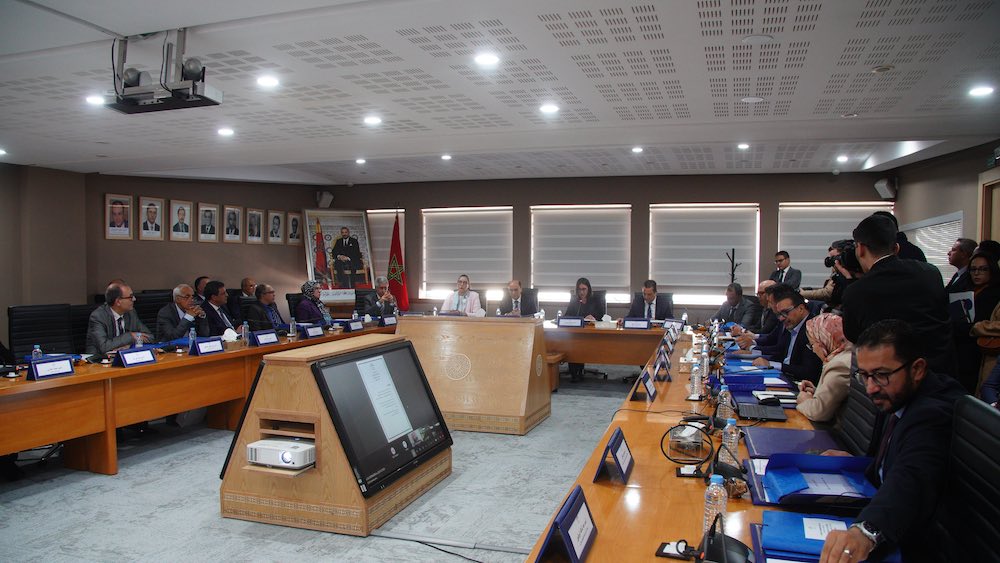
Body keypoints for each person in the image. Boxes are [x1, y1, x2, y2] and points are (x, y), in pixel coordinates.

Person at [818, 320, 966, 563]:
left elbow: (912, 476)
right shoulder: (899, 395)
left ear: (917, 369)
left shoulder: (933, 413)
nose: (870, 388)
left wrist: (866, 532)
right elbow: (896, 459)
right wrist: (860, 464)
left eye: (881, 375)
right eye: (864, 376)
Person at [841, 214, 954, 375]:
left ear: (860, 249)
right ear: (896, 248)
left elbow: (855, 336)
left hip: (889, 378)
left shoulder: (856, 291)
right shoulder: (930, 273)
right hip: (939, 374)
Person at [951, 251, 1000, 393]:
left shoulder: (995, 293)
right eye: (973, 269)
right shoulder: (965, 288)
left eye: (983, 269)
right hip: (960, 347)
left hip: (984, 349)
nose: (977, 273)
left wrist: (977, 327)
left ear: (991, 270)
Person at [751, 288, 823, 383]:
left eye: (785, 312)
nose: (781, 318)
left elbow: (809, 372)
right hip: (783, 377)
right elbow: (779, 353)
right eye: (779, 314)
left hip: (800, 384)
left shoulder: (813, 329)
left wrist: (771, 364)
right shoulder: (792, 325)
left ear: (801, 309)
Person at [796, 313, 852, 423]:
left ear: (823, 342)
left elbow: (818, 412)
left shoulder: (839, 365)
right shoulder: (846, 354)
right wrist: (817, 392)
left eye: (812, 345)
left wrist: (804, 400)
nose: (813, 350)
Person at [86, 282, 153, 354]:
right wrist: (130, 336)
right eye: (130, 297)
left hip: (125, 357)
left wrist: (129, 346)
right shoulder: (98, 316)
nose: (134, 299)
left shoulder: (131, 313)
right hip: (99, 359)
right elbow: (104, 347)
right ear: (118, 302)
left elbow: (150, 337)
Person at [565, 277, 605, 382]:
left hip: (591, 333)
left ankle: (578, 370)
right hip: (576, 333)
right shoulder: (574, 300)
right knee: (572, 343)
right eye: (579, 289)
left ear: (588, 289)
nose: (581, 292)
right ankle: (575, 373)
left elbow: (602, 315)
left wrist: (594, 317)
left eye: (584, 289)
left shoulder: (595, 299)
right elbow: (567, 315)